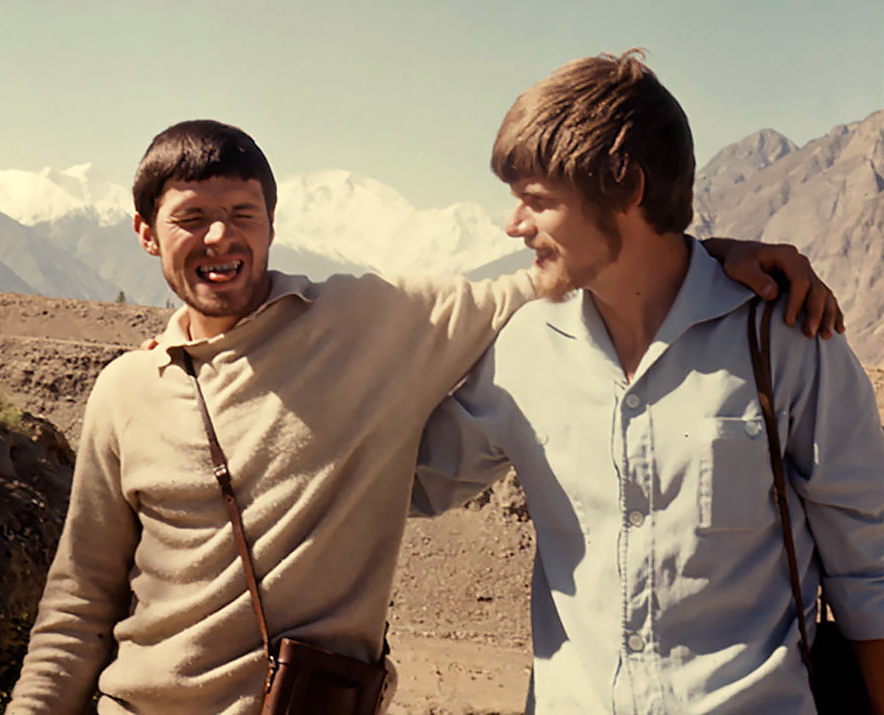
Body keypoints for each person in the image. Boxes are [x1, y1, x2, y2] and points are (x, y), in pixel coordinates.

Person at [9, 118, 841, 715]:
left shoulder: (372, 320)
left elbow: (563, 273)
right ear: (147, 234)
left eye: (243, 213)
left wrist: (714, 258)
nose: (221, 237)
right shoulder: (122, 390)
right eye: (192, 217)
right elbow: (80, 601)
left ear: (271, 220)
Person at [413, 50, 884, 713]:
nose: (514, 225)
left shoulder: (783, 339)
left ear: (627, 187)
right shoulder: (522, 349)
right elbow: (410, 482)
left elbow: (870, 563)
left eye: (538, 201)